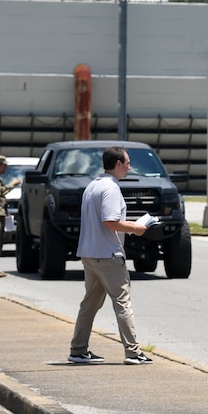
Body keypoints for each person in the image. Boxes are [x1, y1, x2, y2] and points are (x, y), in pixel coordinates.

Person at [68, 146, 153, 365]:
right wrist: (136, 228)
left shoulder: (93, 186)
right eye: (127, 162)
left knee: (89, 304)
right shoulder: (111, 188)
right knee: (123, 302)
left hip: (89, 253)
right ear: (117, 164)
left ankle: (78, 350)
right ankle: (133, 352)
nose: (129, 166)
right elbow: (110, 221)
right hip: (108, 254)